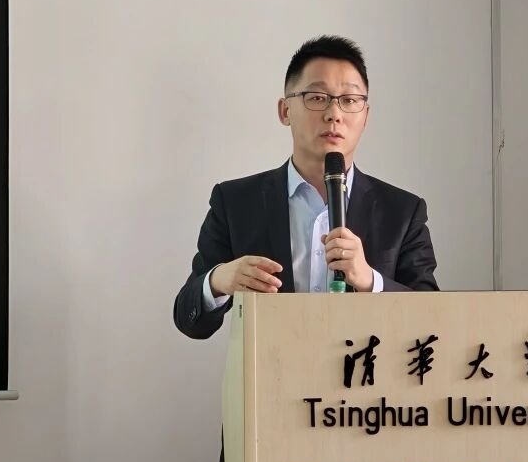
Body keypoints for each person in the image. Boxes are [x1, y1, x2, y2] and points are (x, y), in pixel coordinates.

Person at [174, 35, 439, 340]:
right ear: (285, 111)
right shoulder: (235, 202)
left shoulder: (403, 211)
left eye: (349, 100)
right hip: (271, 370)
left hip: (367, 370)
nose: (334, 114)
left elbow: (432, 319)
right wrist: (218, 281)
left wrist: (370, 281)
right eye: (317, 97)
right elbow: (189, 321)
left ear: (365, 116)